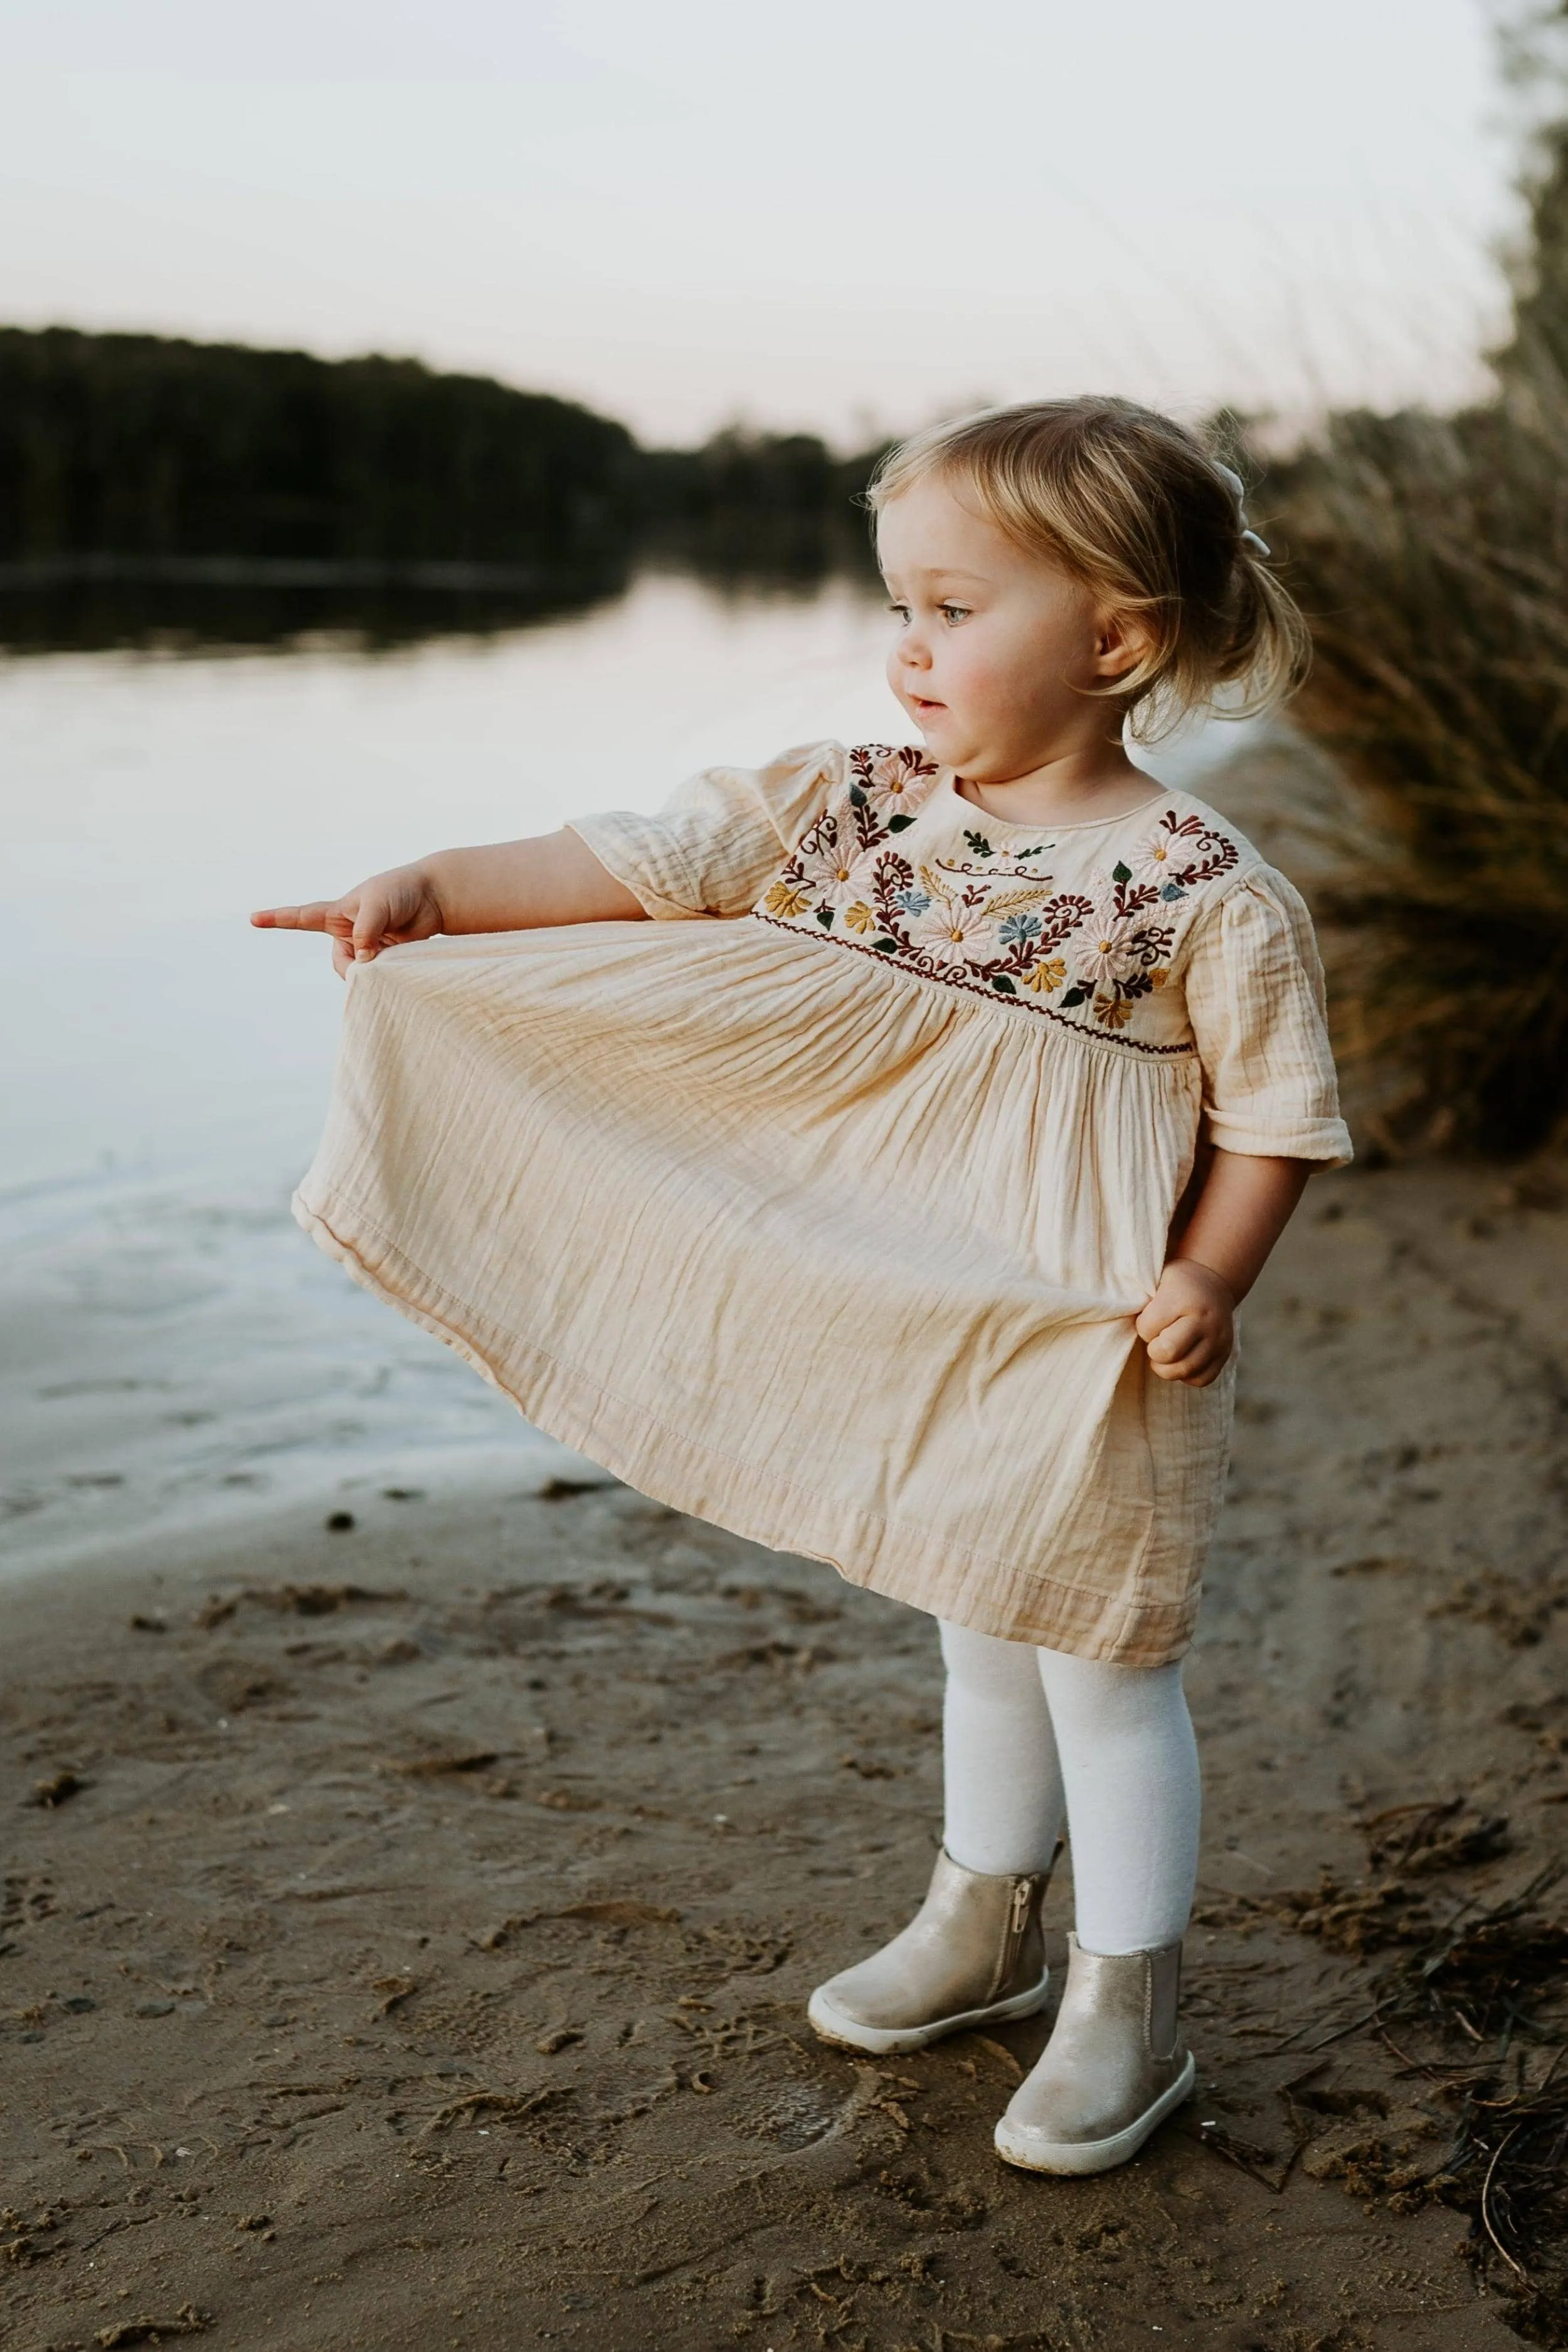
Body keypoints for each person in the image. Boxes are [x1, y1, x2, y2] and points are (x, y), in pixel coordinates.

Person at [253, 397, 1350, 2178]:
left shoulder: (1200, 892)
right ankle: (981, 1917)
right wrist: (435, 891)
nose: (904, 649)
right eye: (896, 606)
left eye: (949, 608)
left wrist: (1209, 1276)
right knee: (972, 1617)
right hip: (914, 1308)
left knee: (1099, 1652)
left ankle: (1125, 1998)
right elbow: (614, 863)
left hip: (1075, 1327)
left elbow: (1277, 1121)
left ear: (1112, 638)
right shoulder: (844, 805)